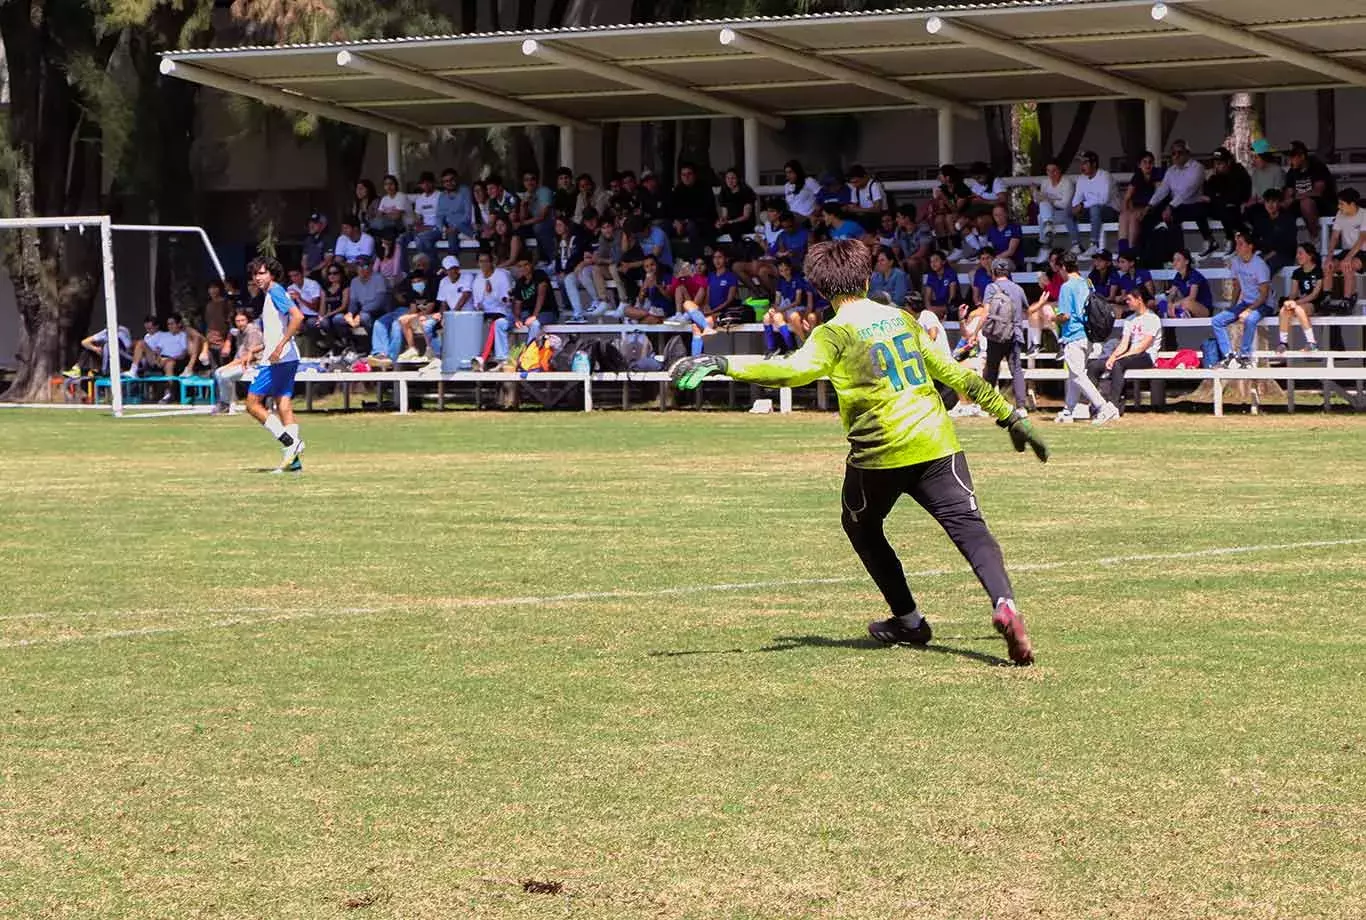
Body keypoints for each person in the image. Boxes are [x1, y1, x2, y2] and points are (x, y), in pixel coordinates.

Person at [667, 239, 1048, 666]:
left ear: (821, 288)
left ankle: (909, 621)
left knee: (863, 527)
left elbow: (794, 370)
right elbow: (954, 373)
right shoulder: (901, 318)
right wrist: (1010, 416)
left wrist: (724, 364)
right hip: (936, 442)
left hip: (879, 452)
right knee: (972, 530)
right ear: (867, 277)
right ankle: (1005, 604)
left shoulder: (832, 332)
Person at [244, 258, 307, 473]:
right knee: (283, 404)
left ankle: (290, 442)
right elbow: (276, 328)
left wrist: (280, 345)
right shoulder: (271, 294)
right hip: (287, 357)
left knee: (252, 403)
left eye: (262, 273)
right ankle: (294, 462)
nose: (258, 278)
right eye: (255, 274)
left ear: (272, 273)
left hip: (279, 359)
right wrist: (259, 348)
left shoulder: (276, 292)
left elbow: (298, 317)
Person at [1054, 251, 1120, 425]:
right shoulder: (1087, 283)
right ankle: (1068, 410)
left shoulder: (1067, 287)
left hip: (1073, 335)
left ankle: (1104, 407)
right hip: (1088, 334)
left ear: (1062, 267)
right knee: (1075, 374)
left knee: (1077, 375)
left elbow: (1066, 315)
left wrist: (1053, 318)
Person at [1086, 291, 1161, 414]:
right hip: (1129, 355)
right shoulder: (1129, 320)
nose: (1127, 302)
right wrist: (1113, 356)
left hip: (1147, 356)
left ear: (1139, 299)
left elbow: (1143, 346)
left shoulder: (1153, 319)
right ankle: (1094, 403)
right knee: (1094, 366)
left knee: (1118, 364)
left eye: (1129, 299)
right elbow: (1124, 343)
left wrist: (1118, 358)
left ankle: (1114, 404)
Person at [1211, 230, 1273, 368]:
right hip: (1246, 303)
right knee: (1217, 320)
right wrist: (1233, 306)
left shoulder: (1260, 265)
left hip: (1263, 304)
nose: (1237, 247)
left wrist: (1249, 310)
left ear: (1250, 246)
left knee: (1250, 319)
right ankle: (1229, 356)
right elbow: (1237, 286)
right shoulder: (1236, 262)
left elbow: (1264, 295)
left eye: (1240, 244)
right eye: (1236, 244)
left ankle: (1245, 357)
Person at [979, 257, 1029, 413]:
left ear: (994, 272)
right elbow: (1026, 311)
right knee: (1016, 369)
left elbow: (986, 312)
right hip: (1015, 334)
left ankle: (987, 405)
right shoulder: (1018, 289)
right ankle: (1021, 406)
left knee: (992, 368)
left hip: (996, 334)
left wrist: (975, 333)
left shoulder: (991, 288)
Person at [211, 308, 264, 415]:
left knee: (225, 375)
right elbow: (239, 354)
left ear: (248, 320)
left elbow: (251, 355)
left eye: (242, 320)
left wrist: (228, 366)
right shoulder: (240, 332)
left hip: (253, 364)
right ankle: (226, 401)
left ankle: (225, 403)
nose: (240, 323)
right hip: (241, 363)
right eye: (238, 321)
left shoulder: (253, 332)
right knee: (218, 372)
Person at [1277, 243, 1324, 355]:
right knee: (1284, 310)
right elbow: (1293, 293)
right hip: (1299, 302)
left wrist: (1295, 302)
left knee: (1298, 309)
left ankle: (1312, 343)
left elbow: (1314, 295)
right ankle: (1283, 343)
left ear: (1310, 255)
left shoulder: (1318, 271)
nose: (1298, 256)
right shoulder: (1297, 272)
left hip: (1314, 304)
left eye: (1301, 253)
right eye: (1297, 253)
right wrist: (1289, 302)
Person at [1070, 150, 1118, 256]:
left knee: (1095, 208)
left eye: (1085, 163)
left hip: (1110, 212)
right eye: (1081, 163)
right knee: (1068, 212)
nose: (1082, 166)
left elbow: (1103, 200)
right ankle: (1076, 245)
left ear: (1094, 164)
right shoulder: (1081, 179)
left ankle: (1094, 244)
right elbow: (1076, 199)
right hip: (1091, 213)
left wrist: (1082, 205)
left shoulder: (1105, 175)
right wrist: (1074, 207)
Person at [1326, 188, 1364, 306]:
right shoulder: (1340, 214)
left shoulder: (1364, 214)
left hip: (1363, 252)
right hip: (1347, 251)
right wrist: (1329, 257)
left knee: (1347, 265)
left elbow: (1362, 239)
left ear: (1352, 204)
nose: (1339, 207)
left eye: (1342, 204)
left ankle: (1348, 299)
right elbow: (1334, 237)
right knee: (1328, 266)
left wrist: (1348, 258)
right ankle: (1326, 298)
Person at [1119, 151, 1161, 254]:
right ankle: (1123, 252)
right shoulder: (1137, 176)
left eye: (1150, 162)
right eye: (1144, 162)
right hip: (1137, 208)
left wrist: (1145, 209)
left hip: (1153, 208)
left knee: (1134, 216)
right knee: (1124, 216)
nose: (1147, 165)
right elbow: (1127, 198)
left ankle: (1131, 250)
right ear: (1139, 165)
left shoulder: (1157, 174)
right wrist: (1125, 211)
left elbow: (1158, 196)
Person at [1159, 248, 1212, 318]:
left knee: (1186, 303)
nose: (1174, 263)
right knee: (1161, 303)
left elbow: (1192, 297)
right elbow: (1172, 293)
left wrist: (1176, 304)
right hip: (1185, 306)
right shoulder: (1178, 275)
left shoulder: (1194, 275)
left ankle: (1178, 313)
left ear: (1186, 261)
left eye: (1178, 260)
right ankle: (1181, 314)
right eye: (1174, 260)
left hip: (1203, 309)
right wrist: (1170, 303)